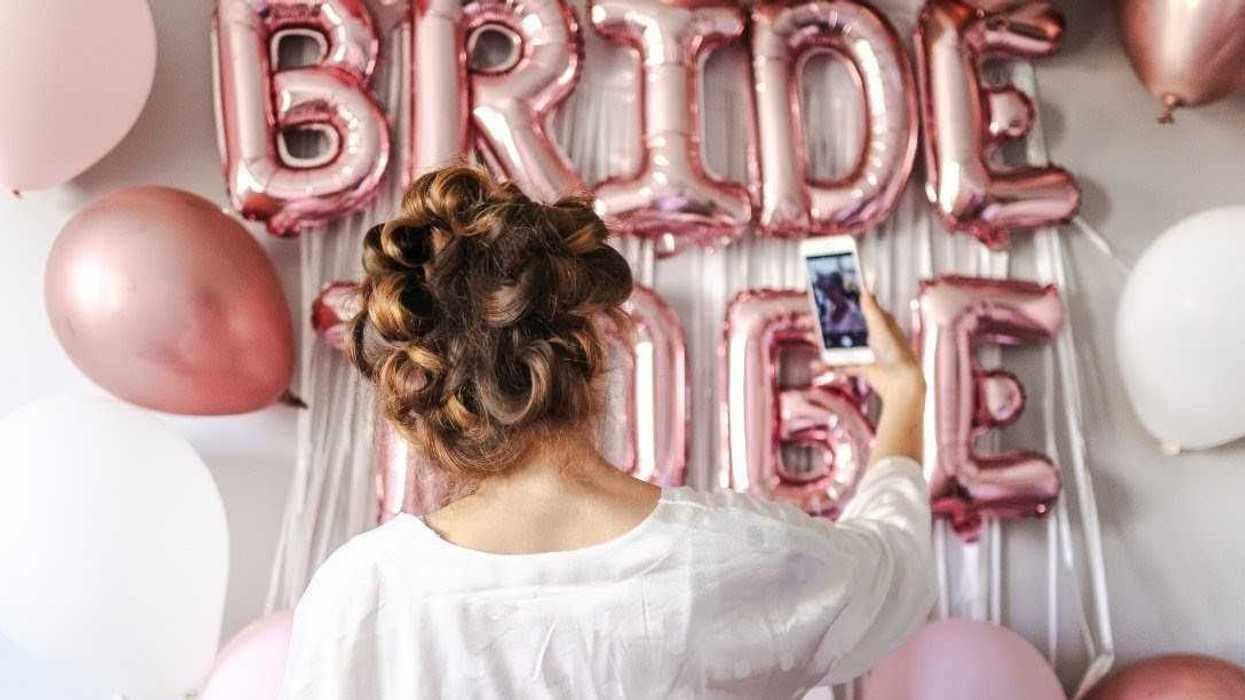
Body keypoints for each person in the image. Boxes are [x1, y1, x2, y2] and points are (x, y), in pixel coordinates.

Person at [277, 166, 935, 699]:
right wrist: (904, 396)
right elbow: (895, 566)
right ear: (590, 349)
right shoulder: (745, 555)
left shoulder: (360, 593)